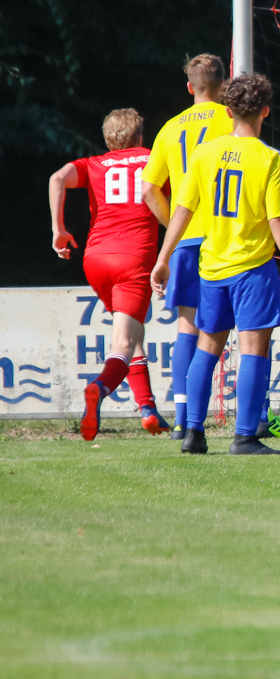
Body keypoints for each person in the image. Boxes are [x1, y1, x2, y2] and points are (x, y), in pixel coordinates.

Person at [150, 73, 280, 455]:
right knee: (254, 350)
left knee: (207, 348)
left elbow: (183, 210)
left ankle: (193, 432)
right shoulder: (269, 158)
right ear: (266, 111)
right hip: (252, 270)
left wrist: (163, 258)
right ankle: (244, 437)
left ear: (228, 112)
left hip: (211, 268)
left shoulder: (204, 154)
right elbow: (279, 222)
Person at [49, 109, 169, 439]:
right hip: (134, 258)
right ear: (140, 136)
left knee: (131, 332)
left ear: (107, 140)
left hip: (96, 258)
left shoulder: (95, 164)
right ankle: (99, 388)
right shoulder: (153, 159)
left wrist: (58, 230)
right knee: (125, 342)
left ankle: (148, 409)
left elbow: (57, 178)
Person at [141, 55, 239, 437]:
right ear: (224, 85)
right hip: (225, 237)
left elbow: (149, 189)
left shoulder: (170, 128)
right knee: (236, 328)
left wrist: (175, 229)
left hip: (186, 239)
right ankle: (254, 415)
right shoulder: (231, 119)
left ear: (189, 87)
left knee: (187, 325)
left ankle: (183, 418)